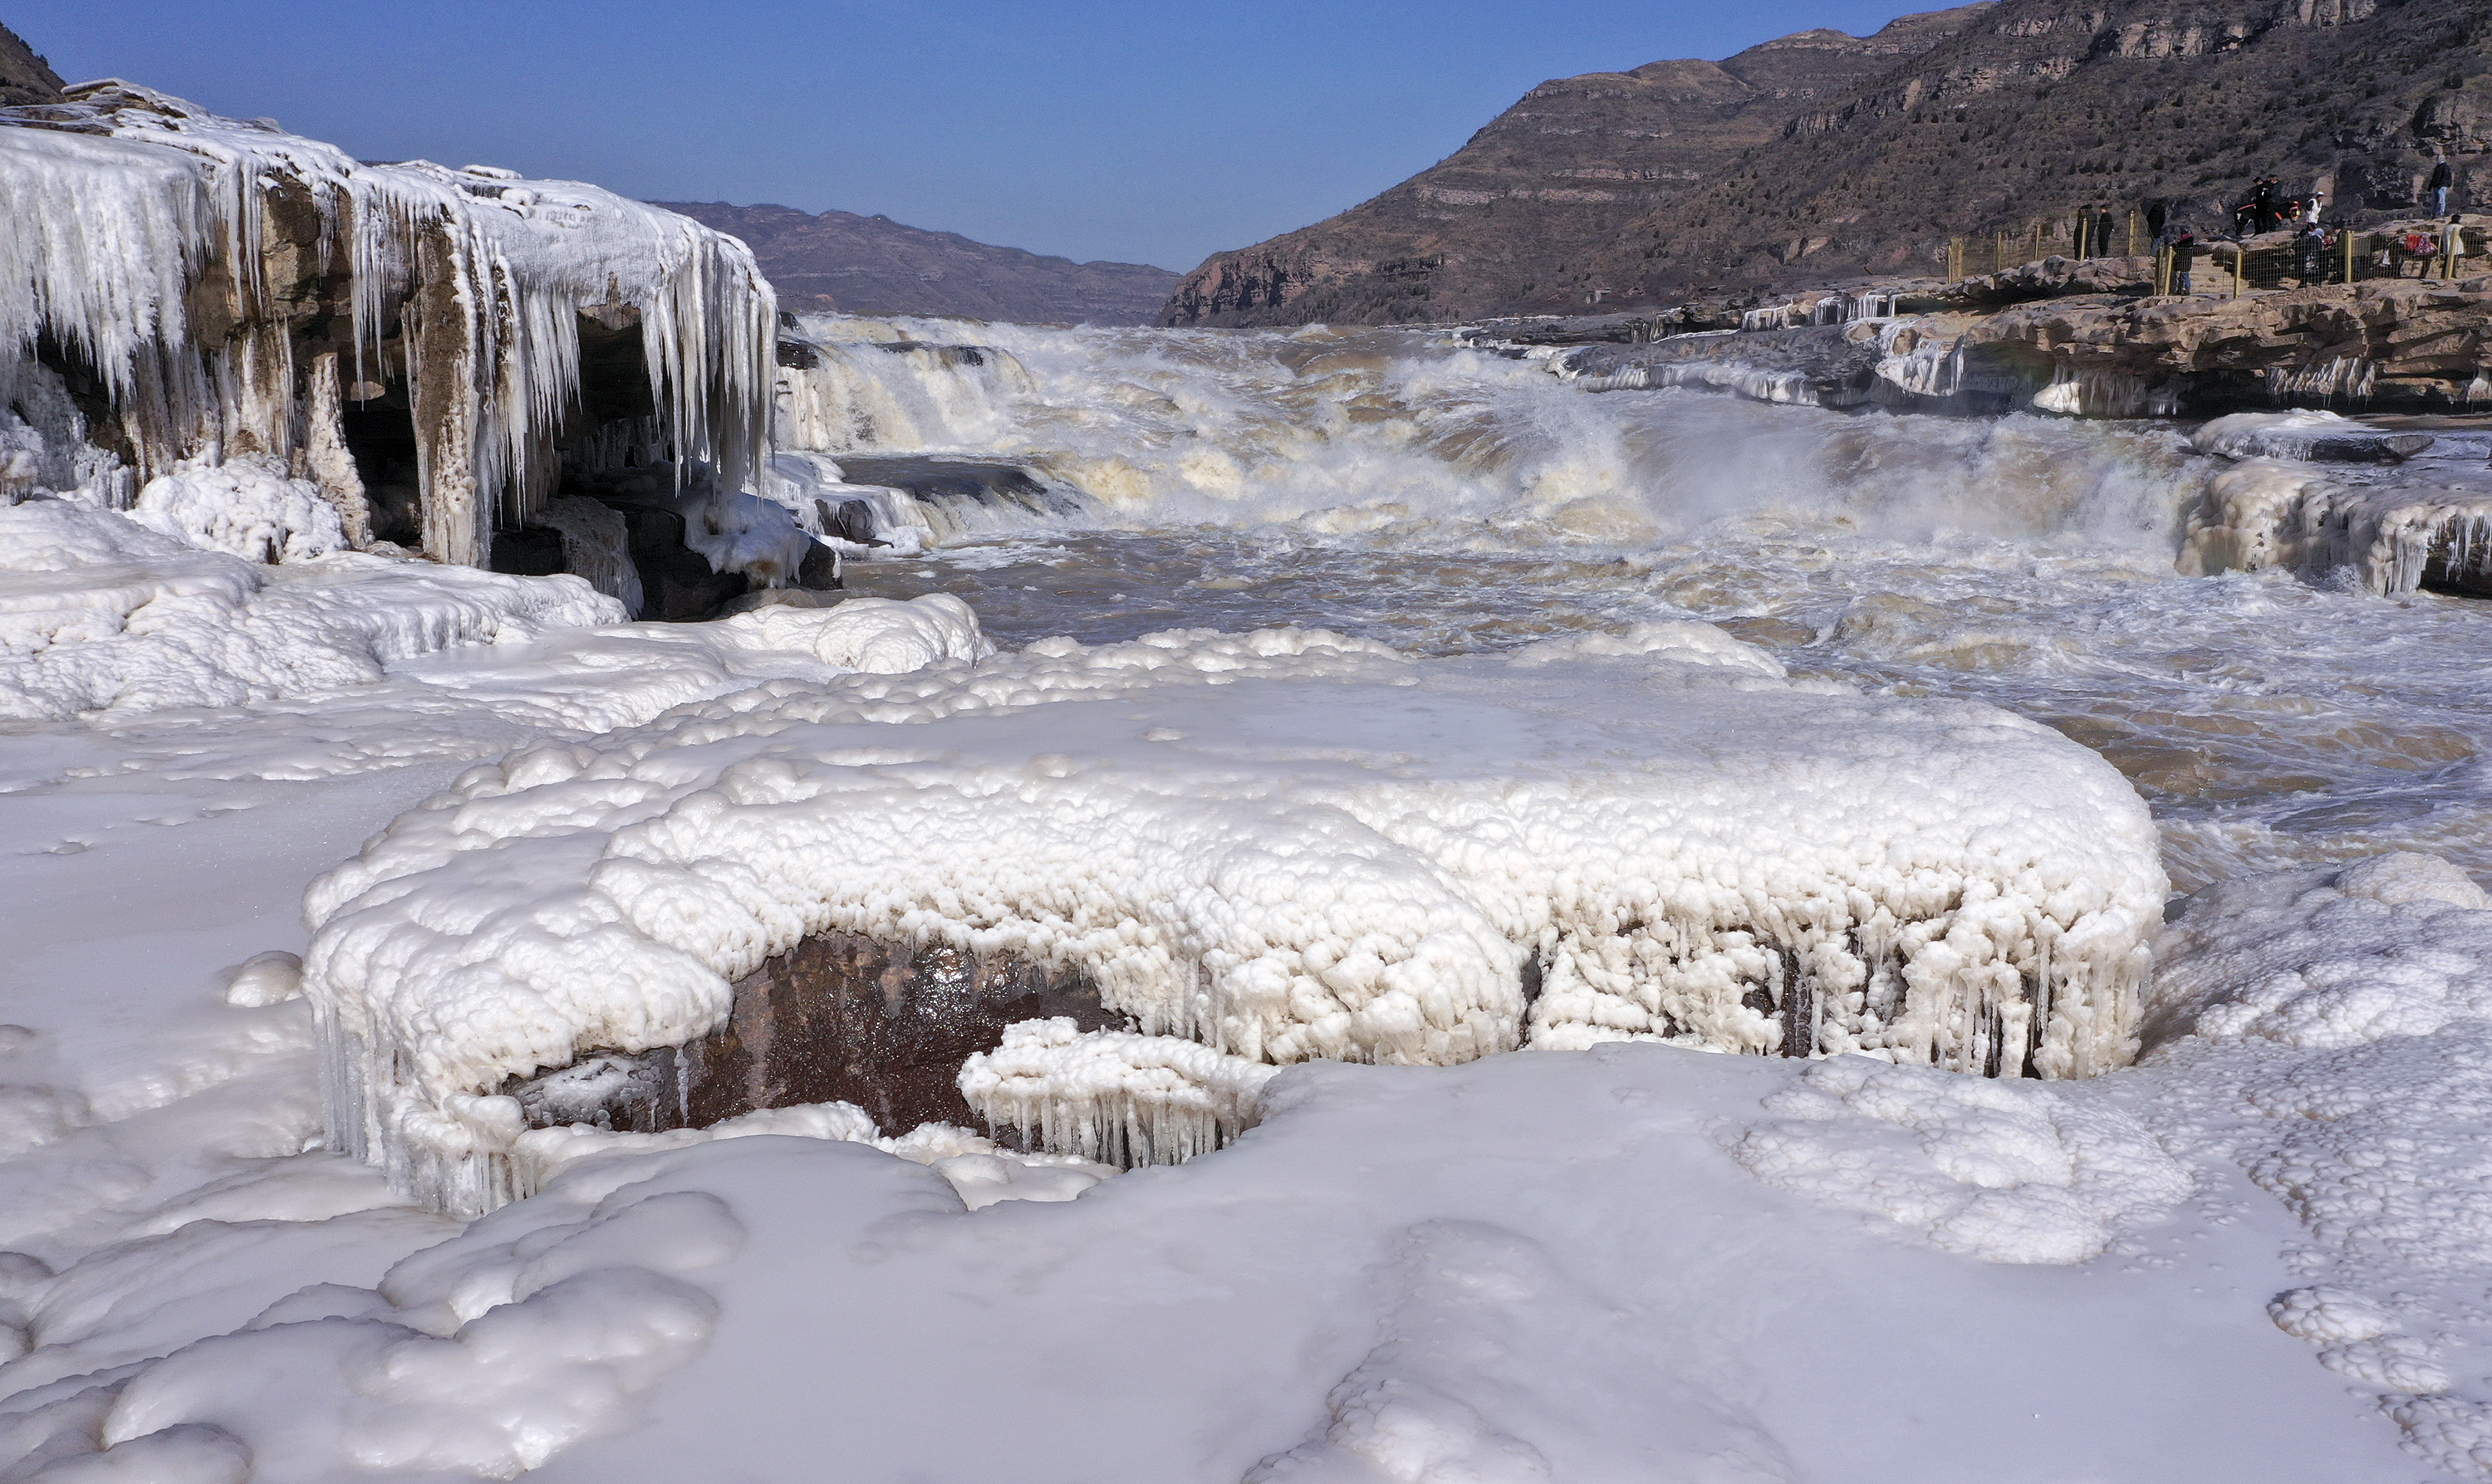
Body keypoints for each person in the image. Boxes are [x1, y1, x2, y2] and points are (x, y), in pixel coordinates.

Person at [2170, 228, 2196, 293]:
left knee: (2184, 276)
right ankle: (2182, 289)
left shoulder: (2184, 243)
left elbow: (2178, 249)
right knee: (2183, 276)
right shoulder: (2189, 243)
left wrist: (2175, 245)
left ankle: (2185, 289)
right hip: (2185, 262)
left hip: (2183, 262)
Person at [2429, 153, 2454, 218]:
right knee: (2435, 201)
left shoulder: (2445, 167)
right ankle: (2434, 214)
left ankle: (2441, 213)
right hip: (2436, 186)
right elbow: (2434, 177)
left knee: (2441, 200)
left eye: (2438, 159)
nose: (2437, 160)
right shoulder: (2437, 167)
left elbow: (2445, 177)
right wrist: (2430, 186)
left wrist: (2442, 184)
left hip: (2441, 186)